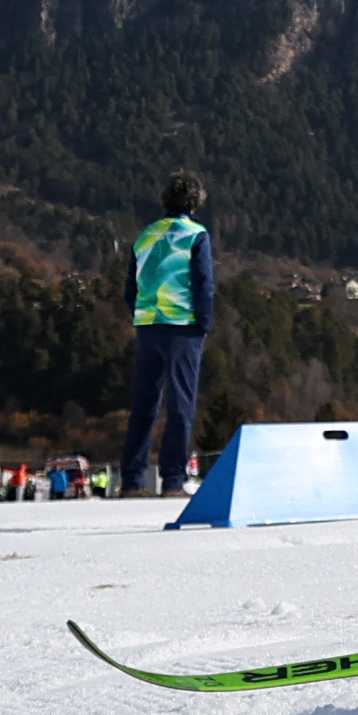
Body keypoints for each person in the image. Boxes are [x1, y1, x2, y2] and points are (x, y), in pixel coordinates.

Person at [124, 173, 217, 499]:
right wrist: (203, 323)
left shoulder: (145, 235)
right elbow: (203, 283)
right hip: (183, 327)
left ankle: (132, 480)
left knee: (144, 404)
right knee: (181, 405)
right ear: (195, 203)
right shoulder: (196, 235)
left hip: (148, 325)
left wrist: (141, 316)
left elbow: (130, 288)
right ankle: (173, 480)